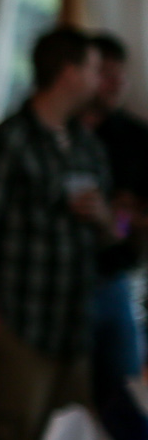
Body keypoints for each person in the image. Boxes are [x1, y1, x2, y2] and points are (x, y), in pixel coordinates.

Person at [0, 26, 126, 440]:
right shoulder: (5, 143)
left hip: (74, 326)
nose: (101, 79)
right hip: (20, 323)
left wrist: (106, 219)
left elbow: (114, 231)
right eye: (93, 68)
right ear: (68, 73)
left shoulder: (88, 144)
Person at [82, 33, 146, 385]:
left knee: (122, 391)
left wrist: (118, 220)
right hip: (62, 285)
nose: (116, 84)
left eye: (121, 75)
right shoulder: (64, 132)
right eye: (107, 74)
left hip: (116, 278)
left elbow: (134, 218)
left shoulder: (135, 138)